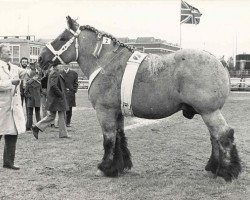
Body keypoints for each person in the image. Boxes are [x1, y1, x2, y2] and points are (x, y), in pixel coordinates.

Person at [0, 43, 31, 170]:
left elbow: (26, 73)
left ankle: (9, 162)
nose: (9, 54)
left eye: (10, 52)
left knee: (12, 133)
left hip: (13, 106)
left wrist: (35, 69)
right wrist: (10, 82)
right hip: (1, 106)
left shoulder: (14, 67)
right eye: (7, 52)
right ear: (1, 53)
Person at [32, 65, 70, 139]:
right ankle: (63, 134)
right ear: (56, 66)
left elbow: (55, 85)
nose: (62, 66)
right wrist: (61, 94)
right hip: (56, 99)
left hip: (55, 98)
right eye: (60, 65)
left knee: (52, 116)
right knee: (61, 115)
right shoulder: (55, 73)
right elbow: (53, 85)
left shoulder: (55, 72)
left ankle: (36, 127)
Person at [24, 62, 41, 131]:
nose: (36, 77)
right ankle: (29, 126)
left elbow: (41, 91)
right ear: (32, 76)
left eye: (37, 76)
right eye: (34, 76)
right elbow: (25, 92)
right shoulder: (28, 83)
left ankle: (39, 126)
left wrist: (40, 95)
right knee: (30, 113)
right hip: (31, 100)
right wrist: (29, 96)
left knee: (38, 113)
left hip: (37, 100)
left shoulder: (39, 83)